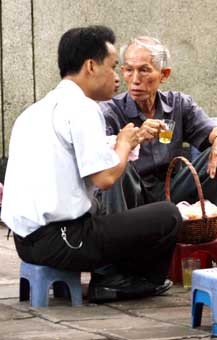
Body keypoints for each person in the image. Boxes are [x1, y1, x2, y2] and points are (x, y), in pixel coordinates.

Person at [0, 25, 182, 303]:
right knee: (168, 215)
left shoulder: (36, 111)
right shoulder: (83, 108)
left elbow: (80, 156)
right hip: (64, 239)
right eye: (113, 67)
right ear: (90, 66)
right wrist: (123, 144)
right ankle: (125, 282)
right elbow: (105, 178)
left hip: (26, 242)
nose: (118, 78)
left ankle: (115, 276)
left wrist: (127, 142)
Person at [98, 36, 217, 228]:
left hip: (173, 193)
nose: (135, 79)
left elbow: (213, 131)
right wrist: (134, 139)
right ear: (123, 72)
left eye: (144, 70)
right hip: (133, 199)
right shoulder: (110, 111)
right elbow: (100, 166)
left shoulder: (178, 104)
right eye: (129, 70)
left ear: (164, 75)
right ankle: (117, 242)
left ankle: (211, 228)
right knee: (116, 166)